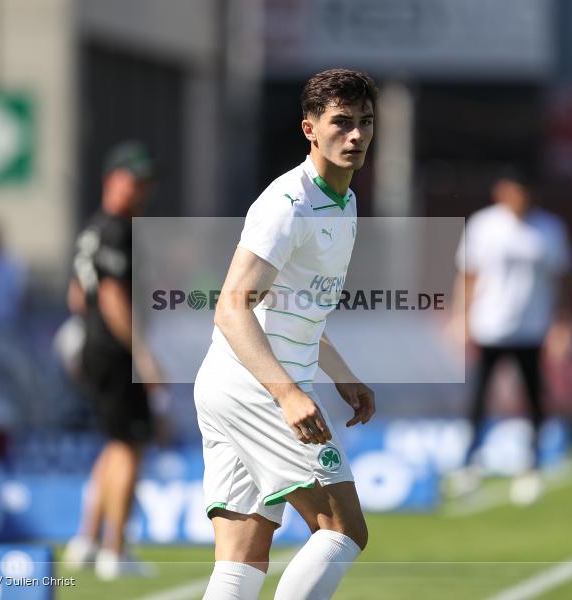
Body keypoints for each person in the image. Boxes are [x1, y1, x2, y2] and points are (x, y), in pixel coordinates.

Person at [194, 68, 377, 600]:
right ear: (309, 129)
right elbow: (230, 307)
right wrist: (288, 392)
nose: (357, 135)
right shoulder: (287, 204)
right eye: (341, 123)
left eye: (365, 122)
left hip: (232, 384)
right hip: (258, 388)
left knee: (242, 559)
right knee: (343, 530)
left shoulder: (343, 201)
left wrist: (342, 375)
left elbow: (294, 308)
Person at [62, 141, 164, 580]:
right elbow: (110, 295)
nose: (139, 190)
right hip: (115, 350)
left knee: (113, 443)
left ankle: (87, 541)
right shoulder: (118, 229)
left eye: (144, 183)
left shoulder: (93, 228)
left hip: (93, 345)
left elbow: (75, 294)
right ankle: (115, 550)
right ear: (111, 180)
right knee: (129, 445)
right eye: (132, 180)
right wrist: (142, 354)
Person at [451, 169, 572, 505]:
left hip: (531, 329)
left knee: (534, 400)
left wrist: (563, 325)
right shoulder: (483, 225)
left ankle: (532, 466)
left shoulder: (550, 228)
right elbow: (468, 274)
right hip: (489, 326)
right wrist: (459, 316)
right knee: (479, 398)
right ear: (501, 191)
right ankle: (470, 464)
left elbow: (563, 280)